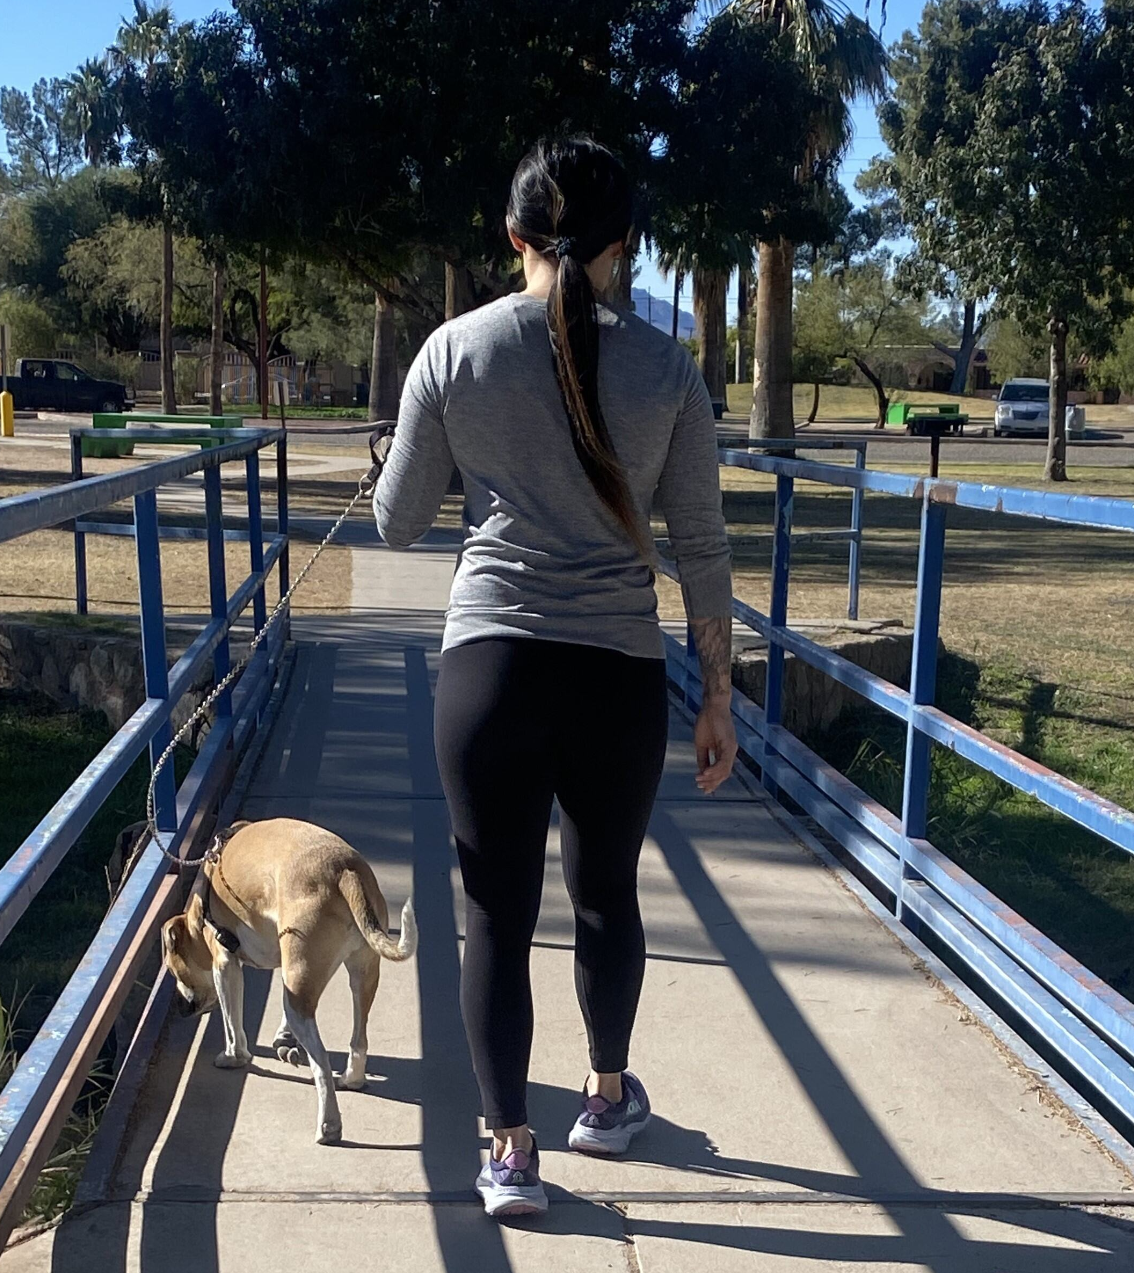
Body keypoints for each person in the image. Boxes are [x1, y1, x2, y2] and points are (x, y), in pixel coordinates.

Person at [373, 136, 736, 1220]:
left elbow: (397, 522)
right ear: (625, 246)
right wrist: (718, 695)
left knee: (495, 912)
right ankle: (607, 1098)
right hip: (616, 677)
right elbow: (702, 544)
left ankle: (509, 1153)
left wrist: (404, 450)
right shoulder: (669, 372)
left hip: (487, 671)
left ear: (512, 236)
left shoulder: (453, 351)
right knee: (606, 891)